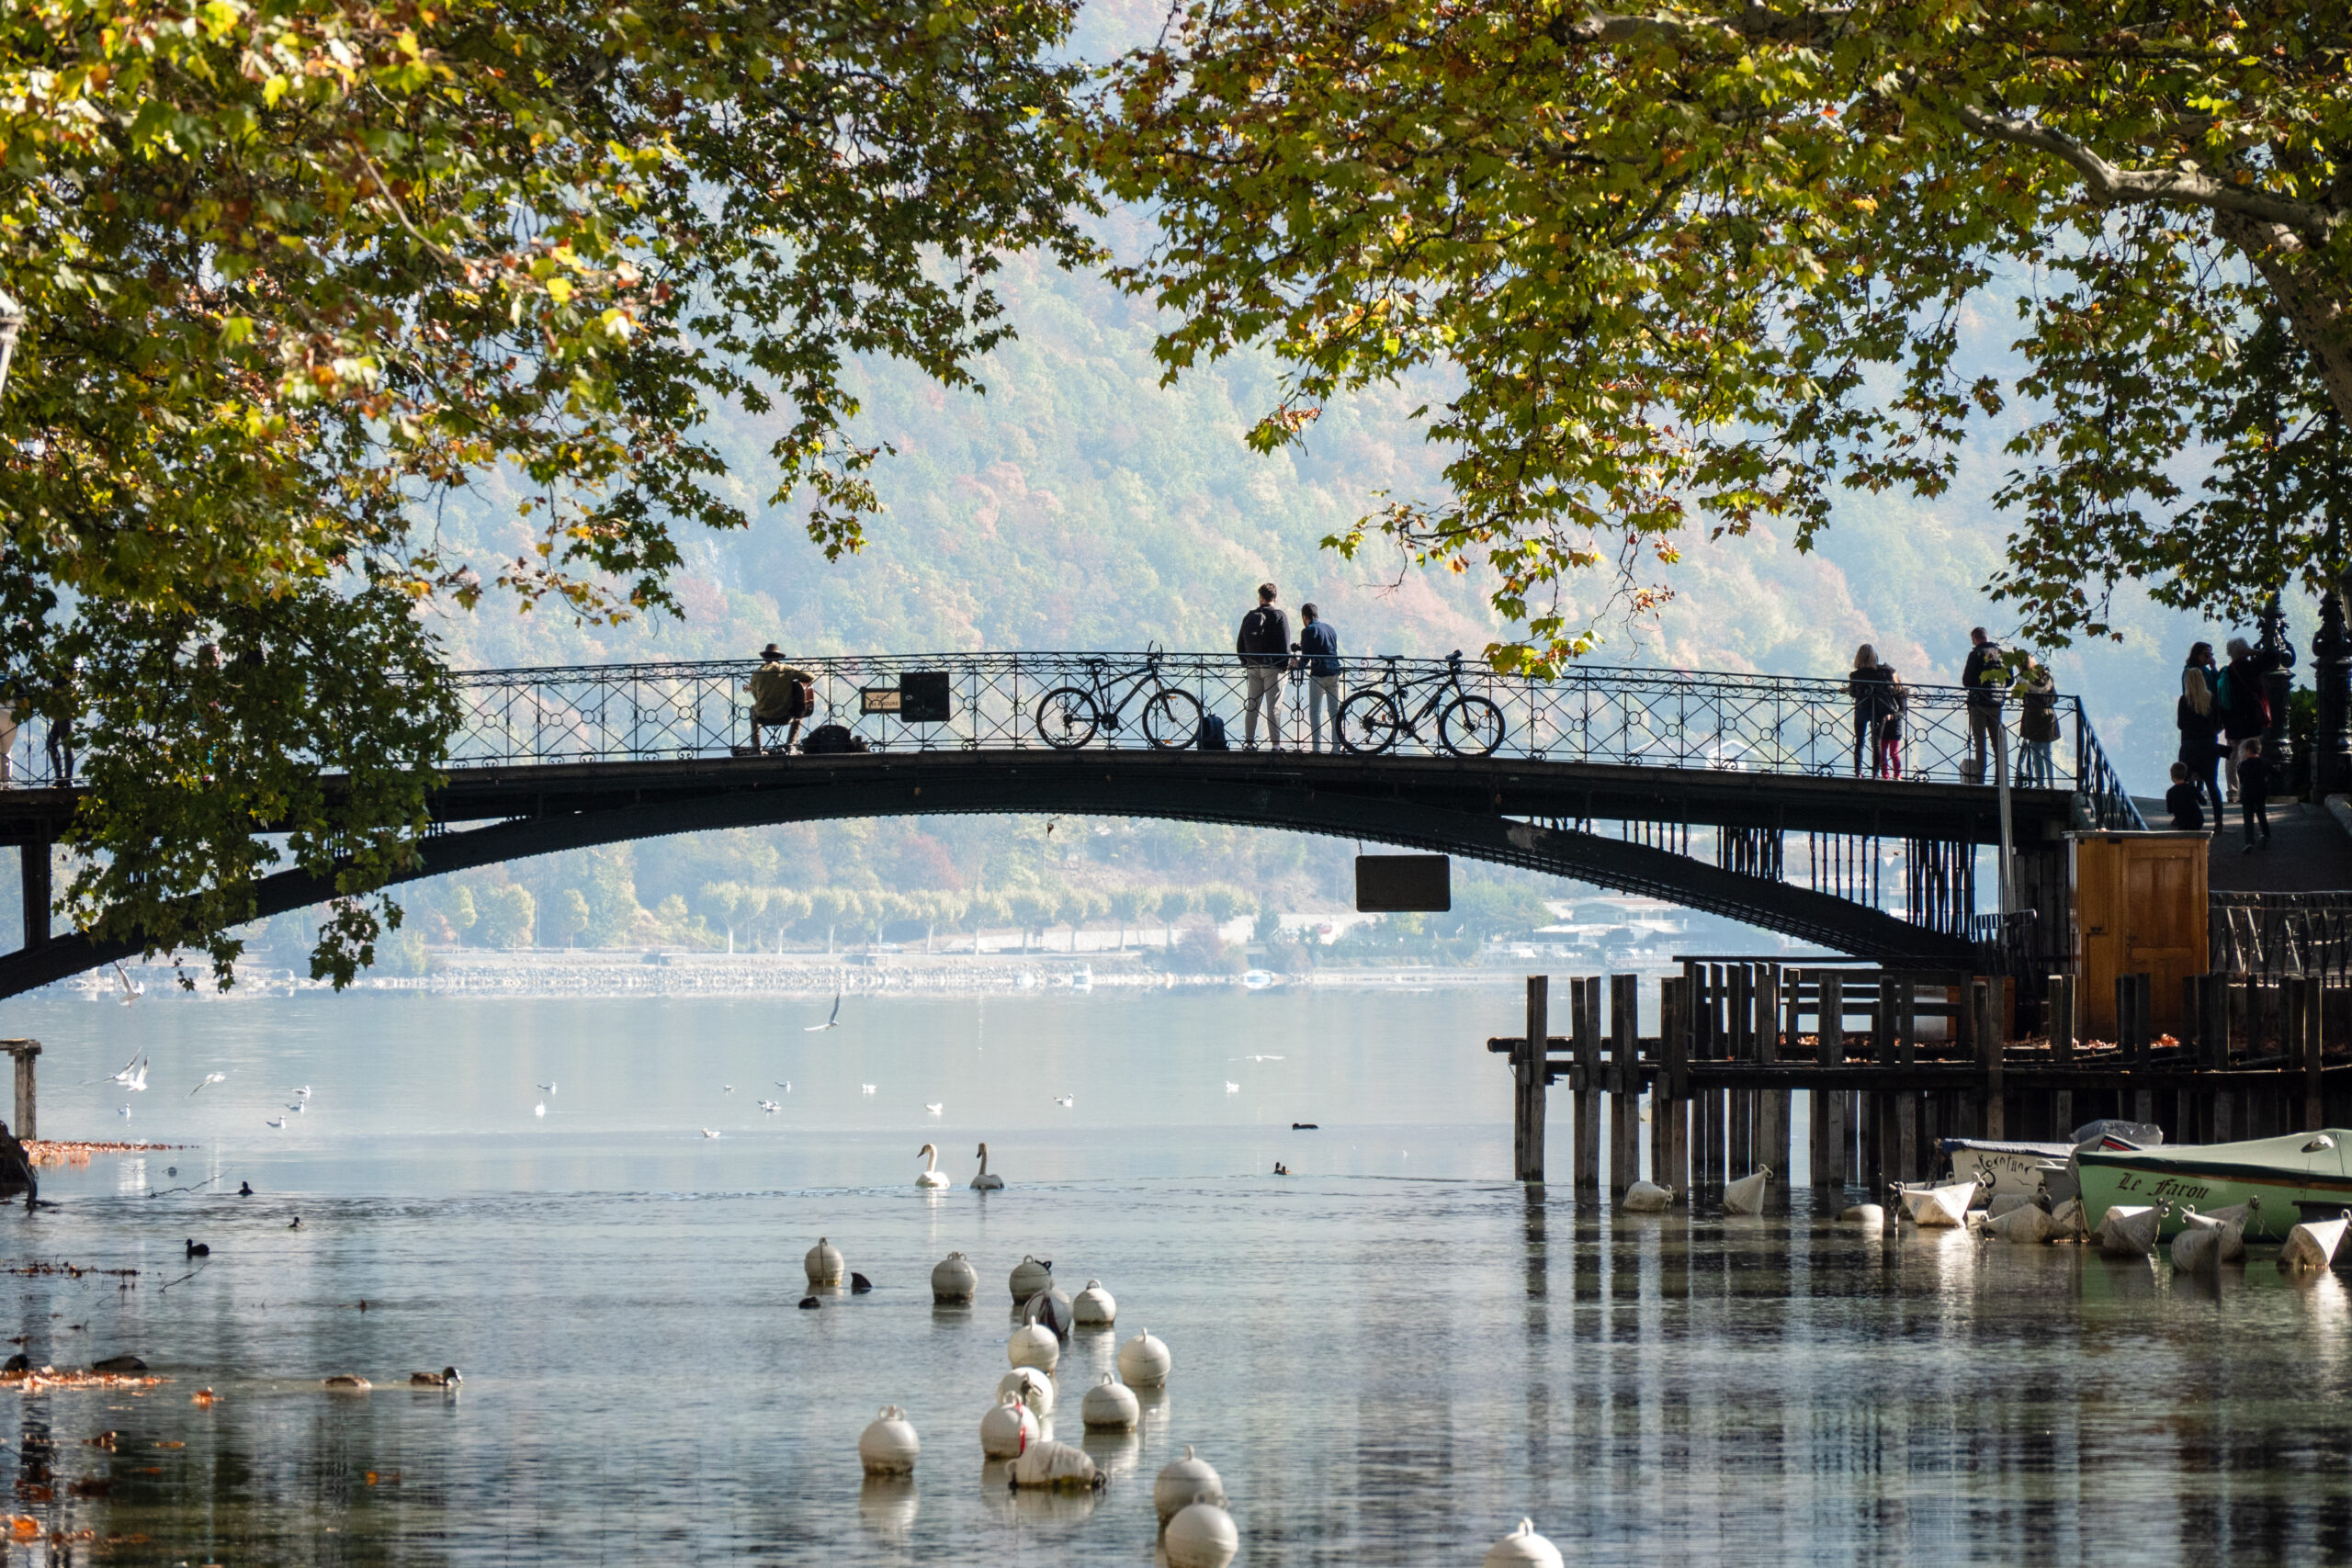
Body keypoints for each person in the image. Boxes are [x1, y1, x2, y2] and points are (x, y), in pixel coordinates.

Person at [2218, 635, 2282, 800]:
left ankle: (2233, 791)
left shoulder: (2227, 671)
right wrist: (2255, 651)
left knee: (2232, 757)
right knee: (2249, 753)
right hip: (2251, 719)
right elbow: (2273, 657)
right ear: (2244, 650)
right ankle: (2247, 789)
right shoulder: (2250, 667)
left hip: (2232, 720)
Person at [1235, 582, 1290, 750]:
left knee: (1252, 705)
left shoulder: (1249, 616)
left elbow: (1240, 644)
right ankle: (1275, 745)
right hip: (1272, 668)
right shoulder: (1279, 616)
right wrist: (1284, 665)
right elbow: (1285, 644)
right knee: (1273, 707)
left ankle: (1249, 743)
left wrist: (1246, 662)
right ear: (1275, 597)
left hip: (1253, 666)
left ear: (1261, 597)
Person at [2177, 641, 2222, 811]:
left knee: (2186, 774)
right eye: (2206, 655)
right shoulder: (2192, 673)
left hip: (2191, 738)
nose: (2209, 658)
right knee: (2211, 781)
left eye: (2210, 654)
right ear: (2197, 655)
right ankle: (2217, 818)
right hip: (2208, 737)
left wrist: (2213, 668)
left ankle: (2186, 807)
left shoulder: (2200, 673)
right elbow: (2216, 693)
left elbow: (2181, 724)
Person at [1293, 603, 1341, 752]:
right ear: (1317, 615)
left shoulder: (1307, 630)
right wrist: (1301, 647)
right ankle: (1336, 747)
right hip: (1334, 672)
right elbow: (1324, 647)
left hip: (1319, 674)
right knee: (1334, 711)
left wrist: (1297, 664)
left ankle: (1317, 748)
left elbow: (1306, 657)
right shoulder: (1330, 629)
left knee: (1315, 711)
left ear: (1305, 617)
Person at [746, 643, 813, 753]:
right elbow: (810, 676)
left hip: (763, 716)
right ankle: (791, 744)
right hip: (785, 715)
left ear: (765, 658)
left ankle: (756, 747)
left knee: (752, 709)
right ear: (779, 658)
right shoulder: (786, 669)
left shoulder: (756, 673)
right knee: (800, 711)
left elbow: (756, 696)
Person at [1961, 626, 2007, 784]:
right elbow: (2010, 681)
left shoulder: (1975, 655)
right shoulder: (2002, 655)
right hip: (1997, 704)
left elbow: (1967, 681)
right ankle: (2001, 779)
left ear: (1975, 639)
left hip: (1979, 703)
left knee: (1980, 742)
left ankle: (1980, 779)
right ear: (1987, 636)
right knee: (1997, 743)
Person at [1846, 645, 1899, 778]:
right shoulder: (1880, 673)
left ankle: (1858, 772)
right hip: (1878, 710)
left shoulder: (1855, 675)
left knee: (1859, 741)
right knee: (1876, 742)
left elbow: (1852, 693)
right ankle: (1875, 773)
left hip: (1862, 708)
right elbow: (1889, 689)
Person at [2016, 659, 2058, 786]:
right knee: (2048, 753)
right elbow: (2055, 698)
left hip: (2033, 718)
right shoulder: (2046, 677)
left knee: (2037, 753)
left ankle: (2041, 783)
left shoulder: (2024, 681)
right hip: (2048, 717)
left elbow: (2019, 696)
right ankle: (2053, 784)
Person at [2239, 736, 2273, 852]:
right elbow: (2274, 773)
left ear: (2248, 751)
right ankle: (2266, 833)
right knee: (2261, 814)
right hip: (2260, 793)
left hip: (2247, 794)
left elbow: (2242, 780)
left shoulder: (2243, 765)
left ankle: (2249, 841)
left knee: (2248, 819)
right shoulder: (2265, 762)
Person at [2165, 761, 2204, 832]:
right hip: (2197, 819)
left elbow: (2169, 810)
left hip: (2182, 820)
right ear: (2185, 775)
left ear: (2172, 775)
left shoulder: (2170, 792)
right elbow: (2203, 802)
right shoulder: (2192, 788)